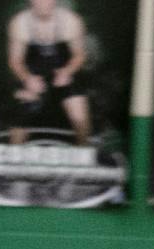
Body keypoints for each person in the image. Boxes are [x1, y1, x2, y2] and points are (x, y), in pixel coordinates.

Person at [8, 0, 94, 147]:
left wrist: (68, 71)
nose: (43, 3)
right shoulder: (20, 23)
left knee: (80, 117)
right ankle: (12, 155)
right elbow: (15, 61)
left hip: (64, 70)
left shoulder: (71, 21)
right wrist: (27, 78)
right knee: (22, 113)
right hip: (33, 72)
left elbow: (79, 55)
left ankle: (83, 152)